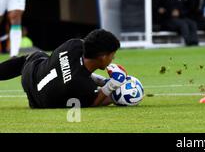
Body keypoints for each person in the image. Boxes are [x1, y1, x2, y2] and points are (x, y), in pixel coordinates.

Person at [0, 29, 128, 108]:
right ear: (102, 56)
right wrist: (112, 85)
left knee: (36, 57)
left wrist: (101, 81)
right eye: (112, 55)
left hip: (30, 73)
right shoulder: (82, 85)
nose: (114, 58)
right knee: (73, 99)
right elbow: (94, 102)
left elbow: (75, 70)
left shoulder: (73, 44)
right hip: (37, 102)